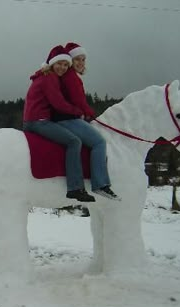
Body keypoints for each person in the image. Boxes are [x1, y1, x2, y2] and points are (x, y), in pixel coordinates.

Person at [23, 45, 96, 202]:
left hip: (34, 120)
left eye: (65, 65)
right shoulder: (49, 78)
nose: (62, 67)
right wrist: (79, 112)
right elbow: (58, 103)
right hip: (39, 121)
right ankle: (75, 187)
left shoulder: (44, 75)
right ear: (51, 63)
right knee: (74, 141)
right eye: (59, 64)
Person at [52, 42, 120, 201]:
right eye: (77, 59)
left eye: (83, 59)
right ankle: (100, 184)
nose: (81, 63)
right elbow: (79, 101)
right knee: (99, 142)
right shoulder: (71, 78)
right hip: (66, 119)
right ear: (70, 61)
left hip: (64, 117)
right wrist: (90, 114)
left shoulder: (68, 77)